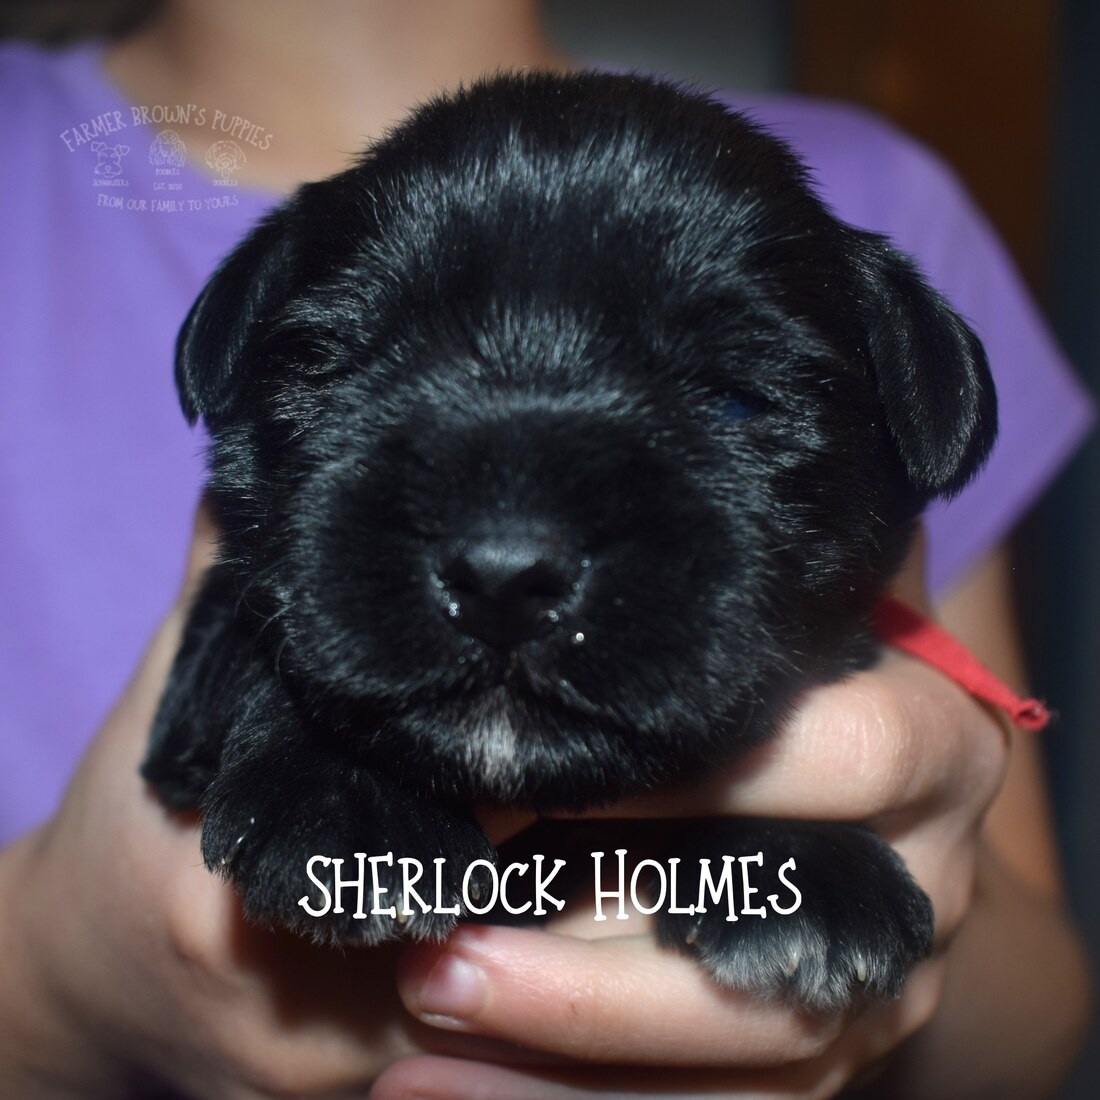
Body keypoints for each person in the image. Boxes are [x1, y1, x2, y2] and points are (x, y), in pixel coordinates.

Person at [0, 1, 1091, 1096]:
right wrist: (56, 979)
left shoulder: (893, 191)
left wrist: (889, 906)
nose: (510, 547)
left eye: (730, 398)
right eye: (353, 365)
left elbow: (1029, 1034)